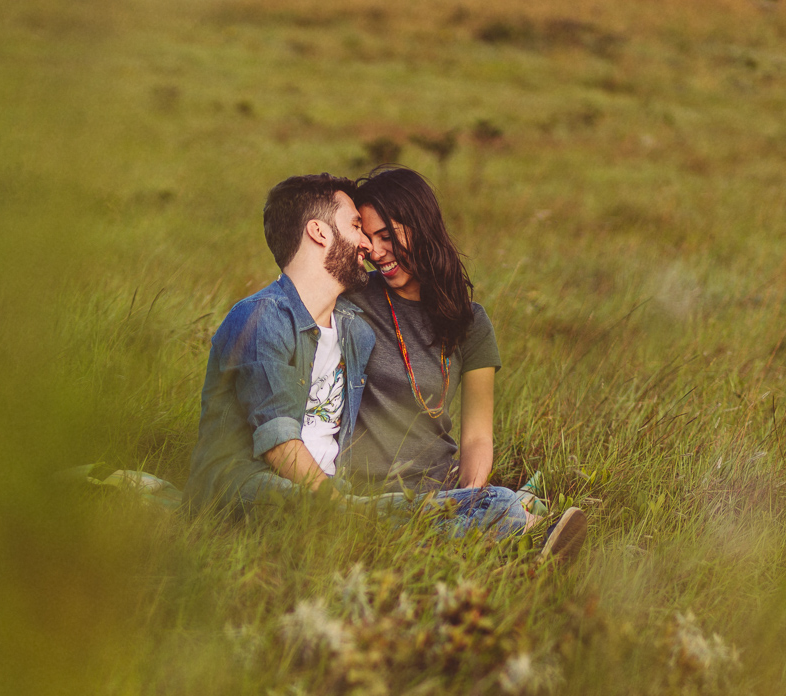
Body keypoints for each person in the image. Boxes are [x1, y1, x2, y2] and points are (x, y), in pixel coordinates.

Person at [343, 166, 587, 560]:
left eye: (387, 236)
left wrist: (471, 495)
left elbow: (476, 437)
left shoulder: (471, 323)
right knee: (500, 507)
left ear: (422, 227)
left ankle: (494, 528)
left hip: (438, 492)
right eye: (368, 239)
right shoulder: (352, 297)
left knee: (483, 506)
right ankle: (521, 529)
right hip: (364, 492)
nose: (376, 252)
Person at [184, 173, 374, 516]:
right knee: (359, 519)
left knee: (458, 507)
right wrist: (341, 510)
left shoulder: (356, 331)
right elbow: (279, 442)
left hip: (328, 490)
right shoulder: (261, 317)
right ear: (319, 232)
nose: (368, 244)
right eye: (356, 226)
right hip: (245, 486)